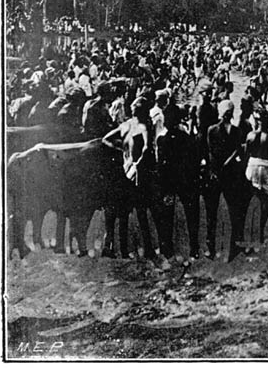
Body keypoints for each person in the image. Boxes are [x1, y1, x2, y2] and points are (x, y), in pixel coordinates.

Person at [102, 97, 157, 260]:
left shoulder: (126, 125)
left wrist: (121, 152)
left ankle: (124, 250)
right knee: (140, 212)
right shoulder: (144, 126)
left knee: (124, 213)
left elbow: (106, 139)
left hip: (125, 171)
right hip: (136, 173)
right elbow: (147, 149)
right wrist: (136, 163)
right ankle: (146, 248)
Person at [156, 105, 201, 260]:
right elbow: (193, 161)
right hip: (185, 181)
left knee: (167, 215)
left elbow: (161, 165)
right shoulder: (187, 138)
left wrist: (163, 186)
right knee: (191, 214)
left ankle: (168, 248)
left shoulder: (162, 140)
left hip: (171, 182)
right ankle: (193, 247)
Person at [205, 99, 246, 261]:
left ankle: (211, 248)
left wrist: (216, 169)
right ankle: (230, 247)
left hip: (217, 174)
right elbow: (236, 152)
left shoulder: (212, 129)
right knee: (231, 211)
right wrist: (226, 165)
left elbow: (211, 153)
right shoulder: (236, 131)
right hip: (227, 174)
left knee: (213, 212)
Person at [243, 110, 268, 252]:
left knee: (251, 201)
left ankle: (248, 239)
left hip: (252, 165)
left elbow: (246, 155)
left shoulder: (250, 135)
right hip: (265, 166)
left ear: (257, 121)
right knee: (266, 202)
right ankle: (259, 236)